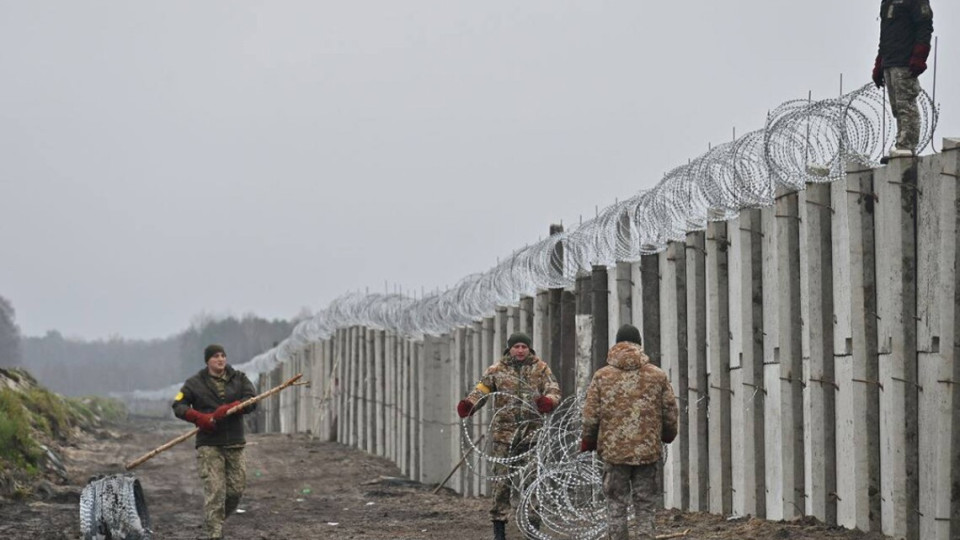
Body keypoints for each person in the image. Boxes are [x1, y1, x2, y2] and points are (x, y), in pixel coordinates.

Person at [456, 332, 561, 540]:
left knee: (532, 482)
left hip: (532, 434)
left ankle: (533, 527)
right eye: (516, 347)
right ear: (509, 349)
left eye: (523, 346)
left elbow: (554, 389)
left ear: (529, 348)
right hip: (504, 436)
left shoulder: (541, 369)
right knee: (501, 483)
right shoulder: (496, 370)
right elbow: (482, 391)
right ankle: (499, 529)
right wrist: (470, 405)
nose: (520, 350)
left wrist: (548, 401)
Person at [580, 325, 679, 540]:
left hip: (614, 453)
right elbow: (670, 410)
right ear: (639, 344)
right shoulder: (657, 375)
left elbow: (590, 415)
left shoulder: (602, 376)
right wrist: (668, 434)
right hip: (647, 452)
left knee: (616, 504)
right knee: (645, 505)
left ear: (616, 344)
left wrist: (588, 439)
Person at [172, 344, 258, 540]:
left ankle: (215, 519)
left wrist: (235, 406)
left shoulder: (239, 378)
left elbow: (252, 399)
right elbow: (178, 405)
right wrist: (198, 417)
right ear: (207, 361)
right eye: (216, 356)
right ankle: (214, 533)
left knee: (235, 490)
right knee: (215, 490)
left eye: (223, 356)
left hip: (234, 442)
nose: (220, 359)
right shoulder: (194, 383)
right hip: (209, 444)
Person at [872, 0, 934, 159]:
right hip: (890, 61)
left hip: (905, 62)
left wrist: (919, 56)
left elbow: (924, 27)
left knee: (906, 105)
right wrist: (880, 62)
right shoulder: (887, 2)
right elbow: (885, 35)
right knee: (897, 108)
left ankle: (906, 148)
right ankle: (901, 145)